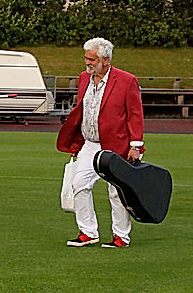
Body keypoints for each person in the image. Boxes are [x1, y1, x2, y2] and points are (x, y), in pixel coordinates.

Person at [56, 37, 144, 248]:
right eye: (86, 58)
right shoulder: (84, 78)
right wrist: (76, 142)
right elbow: (82, 111)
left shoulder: (126, 80)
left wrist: (136, 146)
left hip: (118, 145)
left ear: (105, 60)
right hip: (90, 144)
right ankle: (88, 232)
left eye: (91, 59)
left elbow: (135, 114)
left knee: (117, 192)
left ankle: (121, 236)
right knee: (79, 184)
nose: (87, 62)